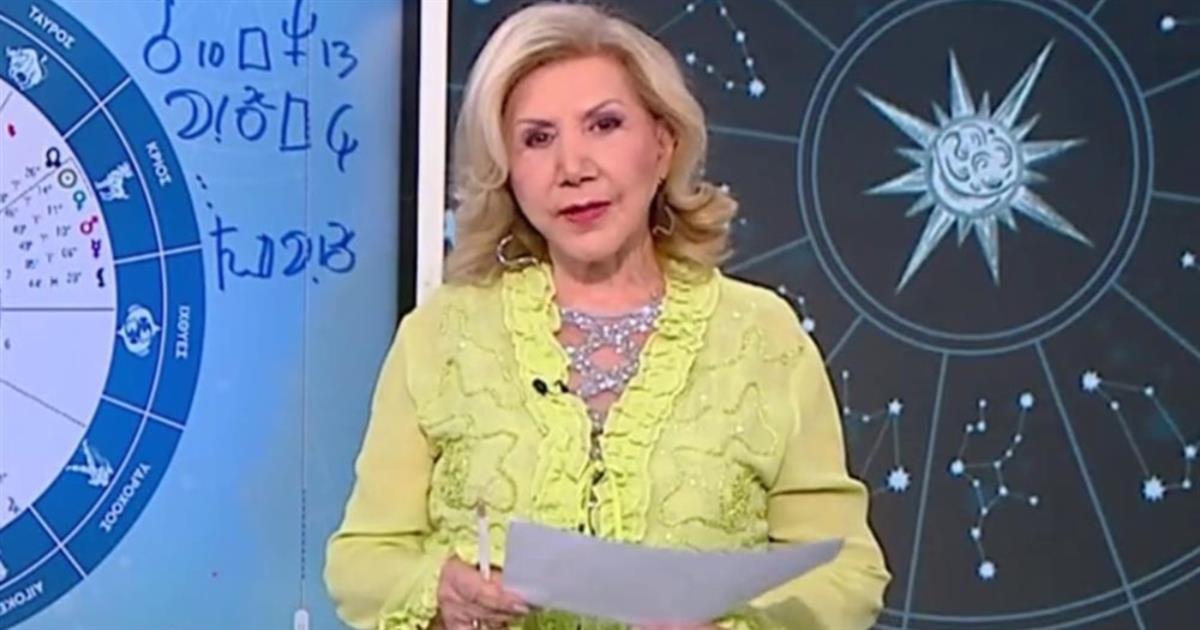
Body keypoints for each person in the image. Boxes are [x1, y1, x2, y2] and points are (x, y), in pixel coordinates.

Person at [325, 3, 891, 629]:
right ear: (506, 170)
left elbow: (847, 571)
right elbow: (362, 560)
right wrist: (439, 593)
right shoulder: (443, 336)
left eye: (604, 125)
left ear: (663, 145)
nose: (573, 168)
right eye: (538, 139)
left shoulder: (763, 337)